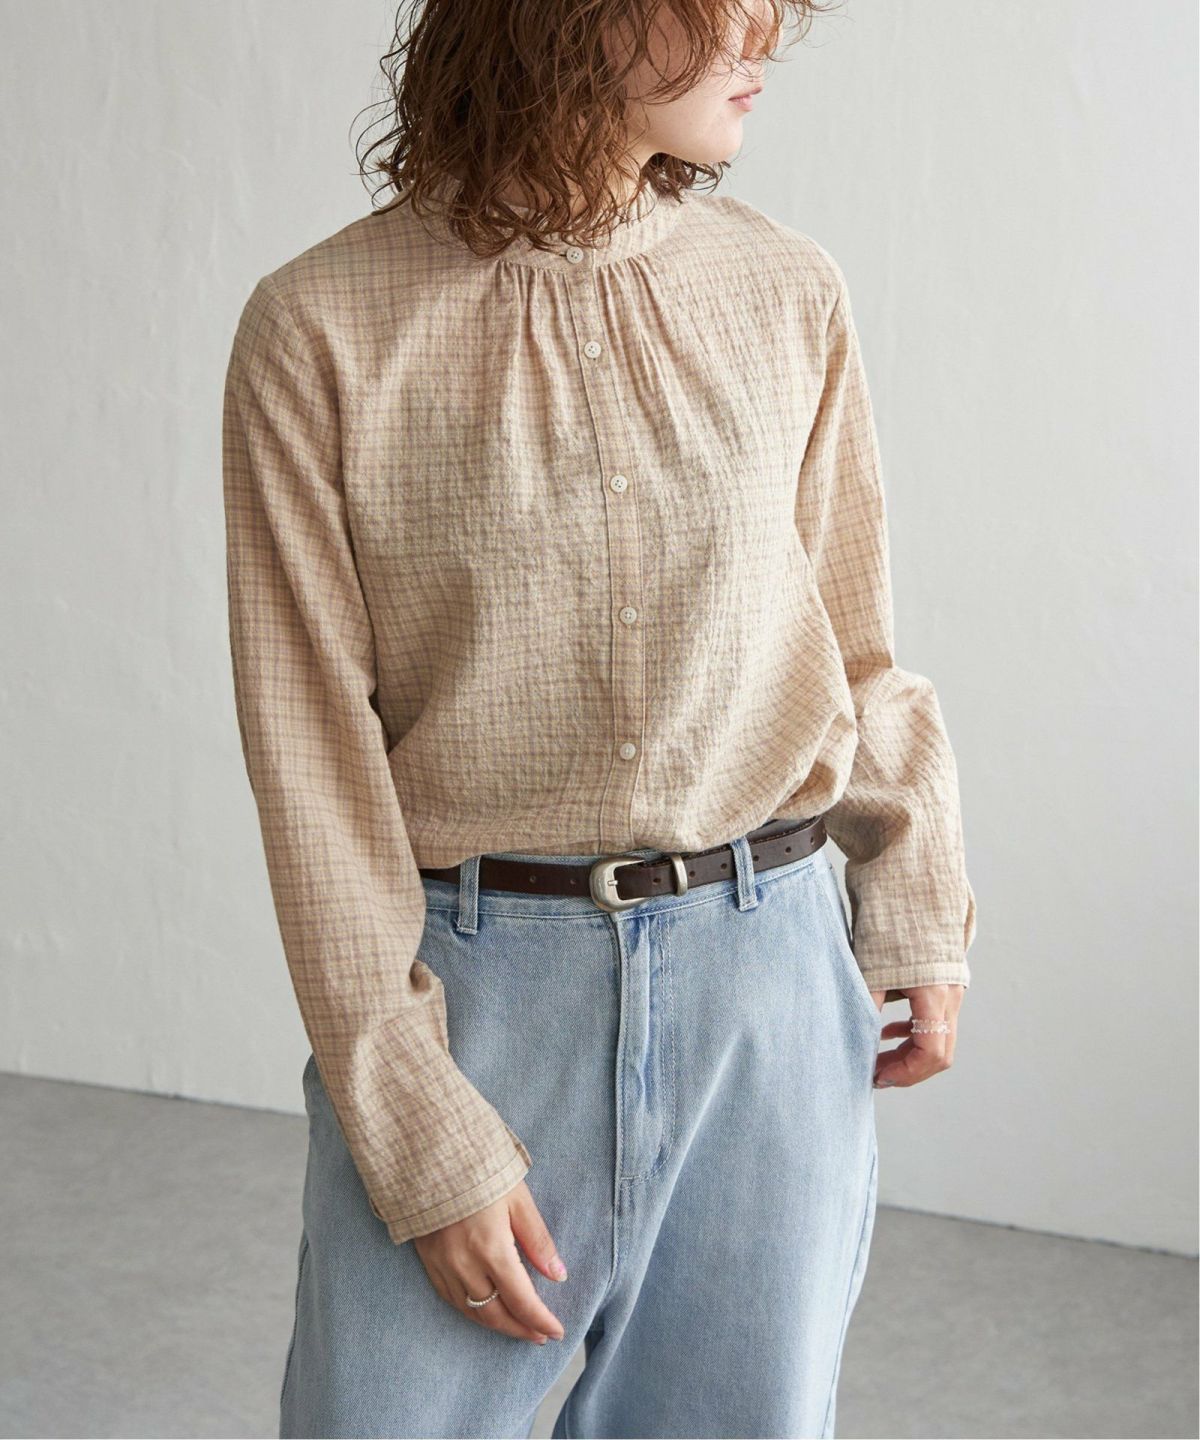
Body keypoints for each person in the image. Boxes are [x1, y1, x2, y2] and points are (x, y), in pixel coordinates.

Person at [221, 0, 977, 1435]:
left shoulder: (787, 291)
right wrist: (415, 1121)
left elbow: (856, 646)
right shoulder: (320, 328)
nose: (764, 32)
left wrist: (918, 902)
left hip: (770, 989)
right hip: (476, 1005)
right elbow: (310, 764)